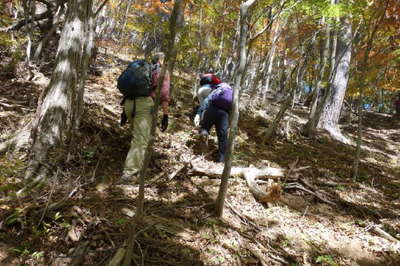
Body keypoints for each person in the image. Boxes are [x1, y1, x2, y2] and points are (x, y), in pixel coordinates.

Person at [120, 52, 170, 183]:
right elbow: (164, 95)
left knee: (137, 137)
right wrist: (165, 115)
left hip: (129, 103)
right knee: (140, 140)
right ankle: (129, 174)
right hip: (144, 105)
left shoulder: (141, 70)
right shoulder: (160, 71)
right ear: (161, 61)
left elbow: (130, 90)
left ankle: (137, 164)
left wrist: (125, 112)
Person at [194, 82, 232, 163]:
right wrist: (229, 121)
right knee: (222, 138)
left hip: (212, 109)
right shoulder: (231, 93)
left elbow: (207, 100)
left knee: (204, 128)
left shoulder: (217, 89)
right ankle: (221, 160)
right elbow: (232, 108)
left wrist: (199, 113)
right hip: (224, 114)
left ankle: (202, 153)